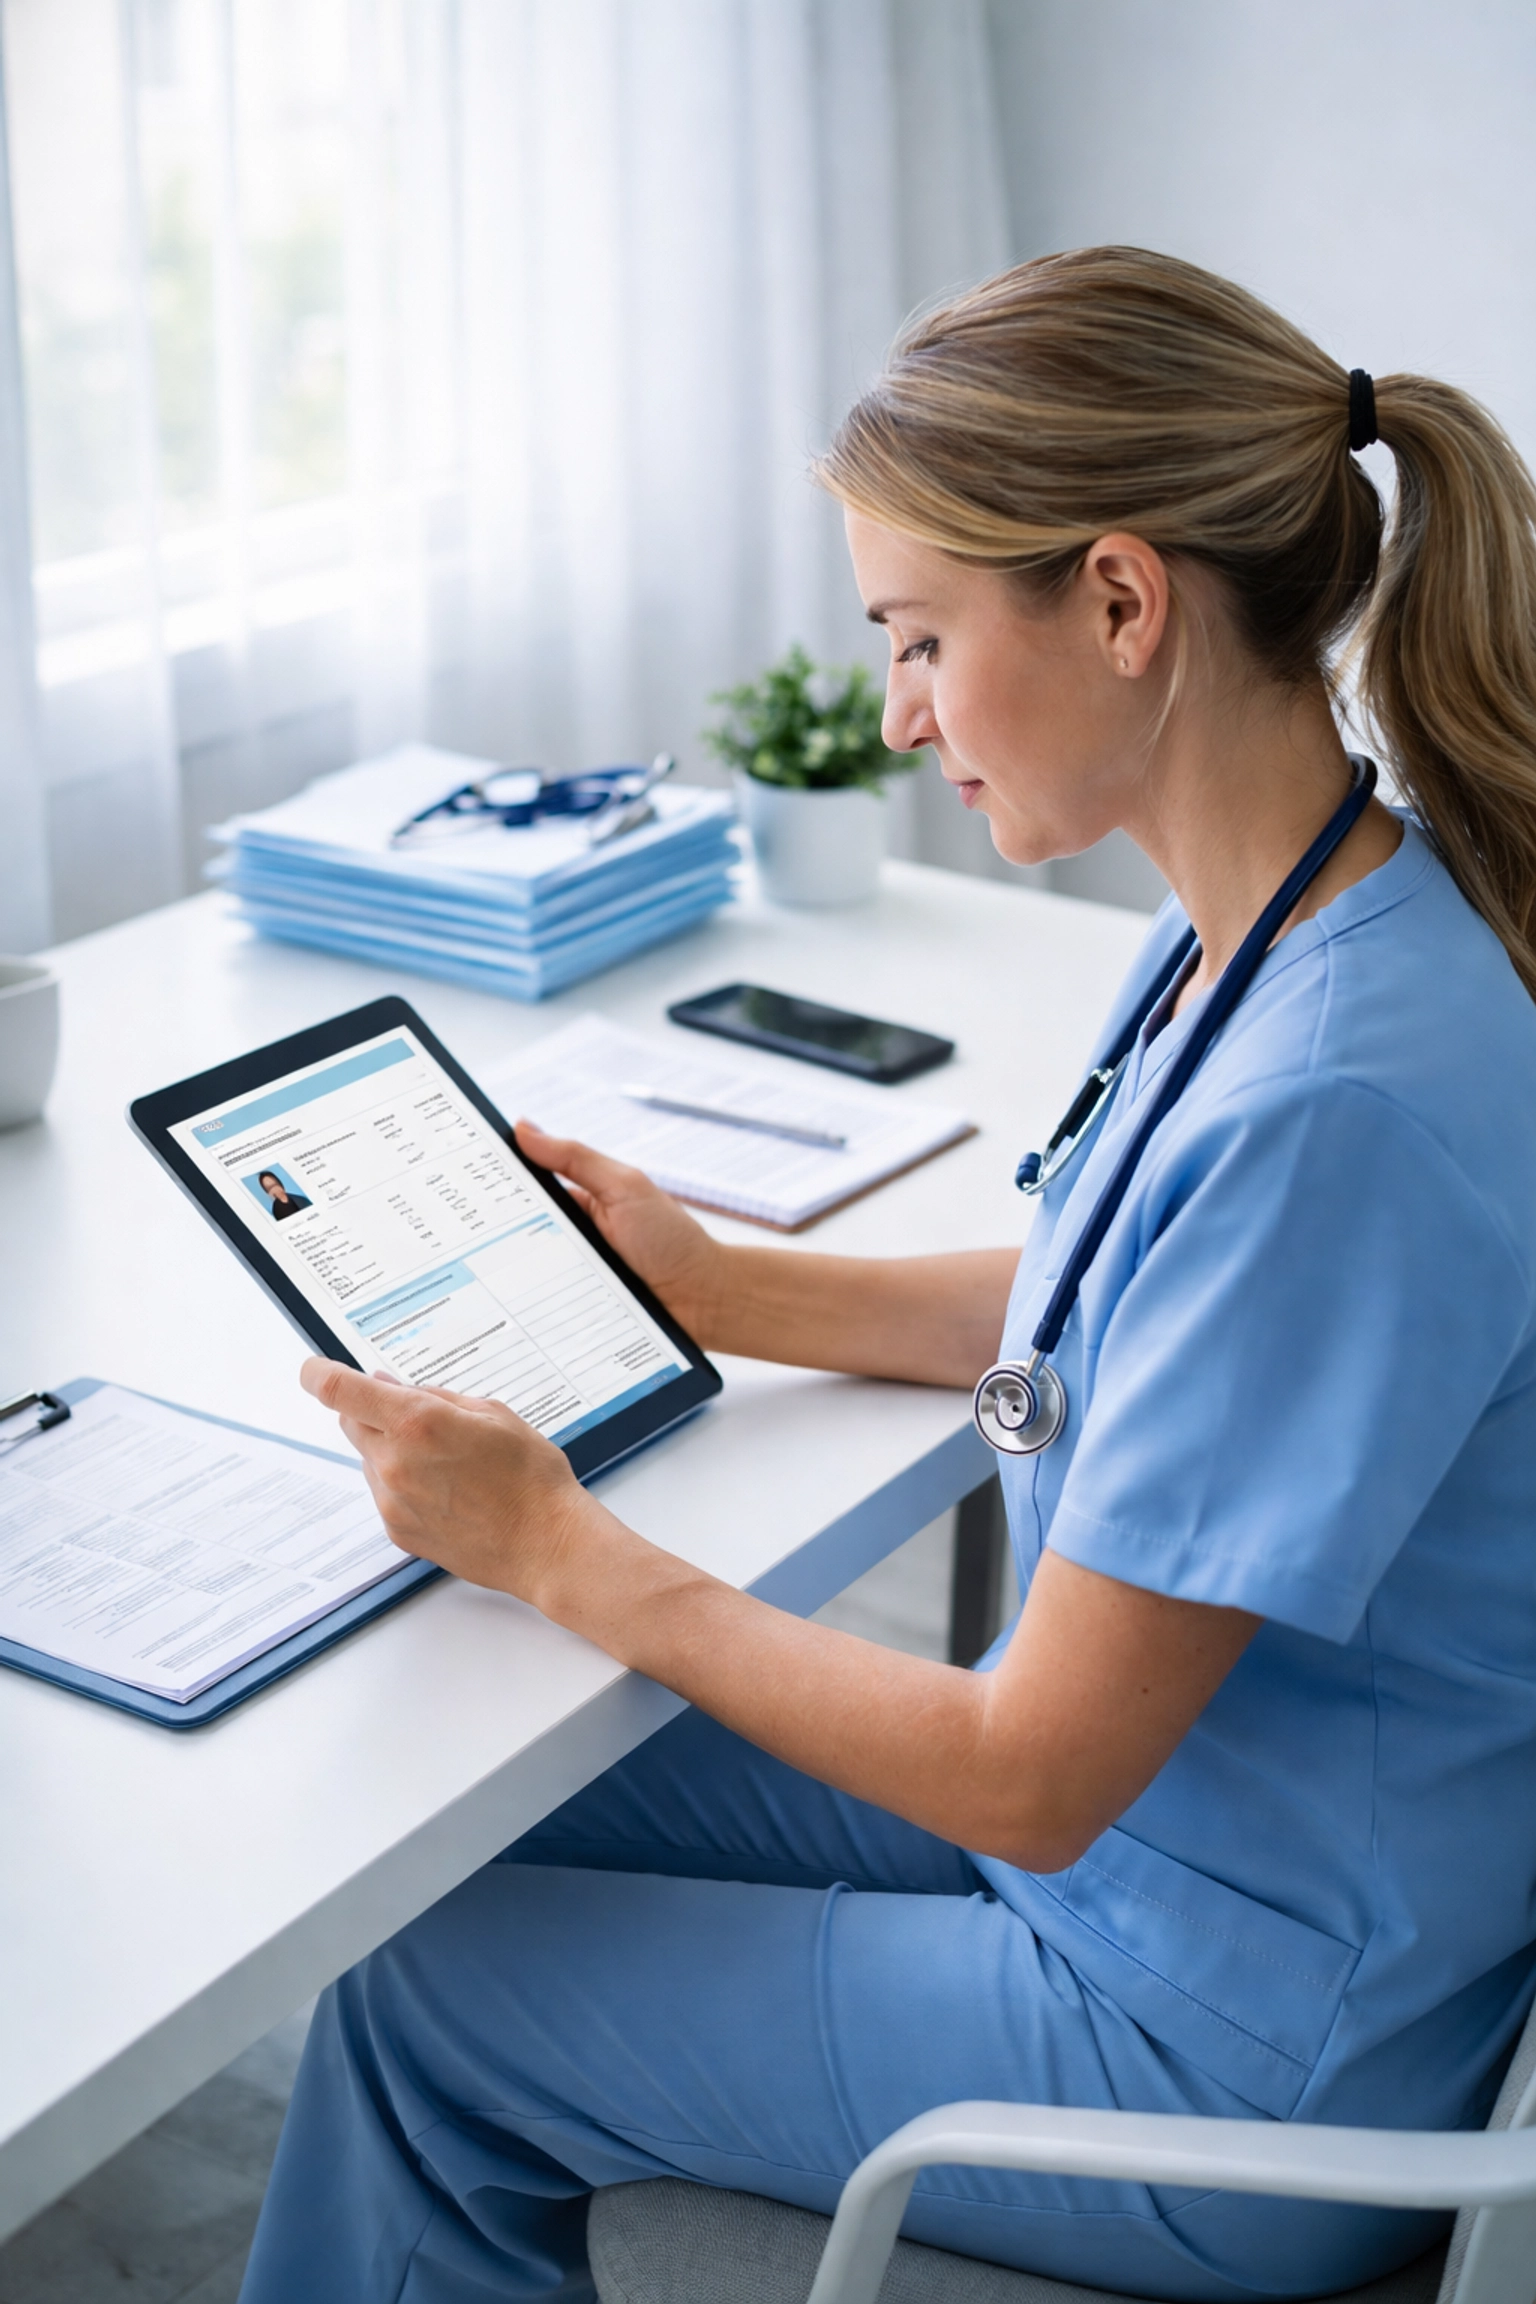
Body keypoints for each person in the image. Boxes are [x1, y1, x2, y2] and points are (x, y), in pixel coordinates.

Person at [238, 249, 1536, 2303]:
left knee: (430, 2005)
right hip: (1188, 1867)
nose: (895, 712)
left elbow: (1026, 1775)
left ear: (1121, 602)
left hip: (1222, 2045)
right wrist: (719, 1286)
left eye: (920, 636)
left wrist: (564, 1547)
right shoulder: (1303, 913)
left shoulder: (1335, 1103)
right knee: (480, 1832)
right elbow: (1128, 1297)